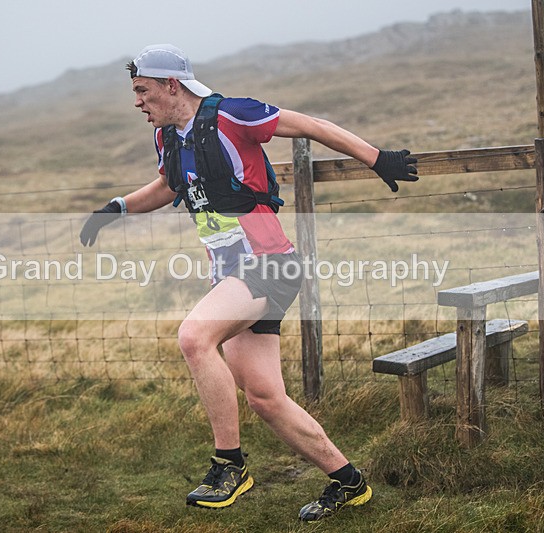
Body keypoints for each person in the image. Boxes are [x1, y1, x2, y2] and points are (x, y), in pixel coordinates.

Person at [80, 44, 417, 522]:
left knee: (194, 337)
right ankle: (349, 483)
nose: (137, 101)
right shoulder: (168, 138)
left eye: (142, 90)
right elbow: (169, 186)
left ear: (171, 85)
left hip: (269, 264)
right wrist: (115, 208)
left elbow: (312, 126)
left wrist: (376, 157)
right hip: (231, 272)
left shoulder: (233, 115)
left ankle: (229, 466)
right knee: (264, 397)